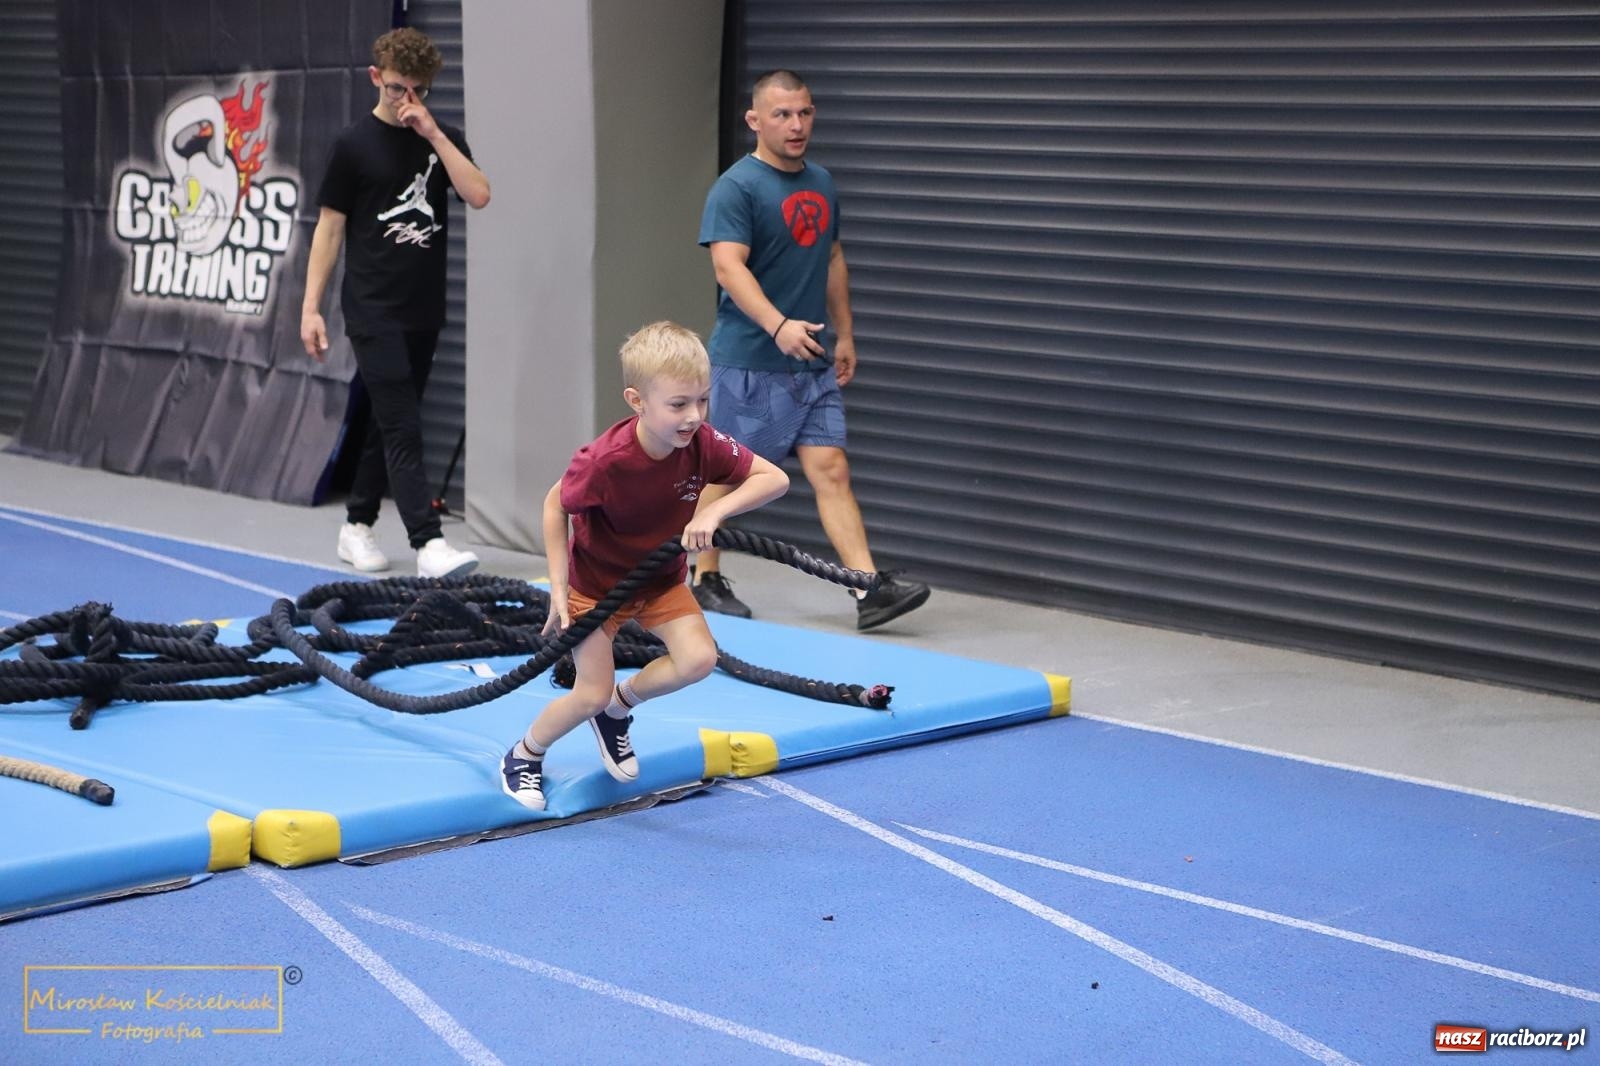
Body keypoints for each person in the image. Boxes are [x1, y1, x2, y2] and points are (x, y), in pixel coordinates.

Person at [500, 322, 789, 811]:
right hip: (596, 590)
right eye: (678, 404)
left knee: (699, 660)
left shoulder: (703, 442)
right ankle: (525, 754)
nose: (693, 416)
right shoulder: (604, 461)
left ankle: (620, 707)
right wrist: (558, 587)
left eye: (702, 400)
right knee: (588, 694)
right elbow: (555, 504)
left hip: (659, 582)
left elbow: (774, 478)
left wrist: (714, 511)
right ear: (637, 401)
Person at [692, 69, 930, 631]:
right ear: (755, 120)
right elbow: (728, 267)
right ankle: (703, 577)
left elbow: (832, 257)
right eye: (782, 114)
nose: (796, 125)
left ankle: (866, 590)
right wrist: (777, 325)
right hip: (750, 360)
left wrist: (844, 334)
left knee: (832, 469)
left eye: (804, 113)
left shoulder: (821, 182)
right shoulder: (736, 187)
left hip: (810, 362)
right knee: (727, 476)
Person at [300, 27, 490, 579]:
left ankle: (356, 525)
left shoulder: (440, 137)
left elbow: (478, 194)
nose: (406, 99)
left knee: (387, 421)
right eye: (396, 88)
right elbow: (329, 229)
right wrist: (311, 308)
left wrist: (433, 133)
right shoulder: (352, 146)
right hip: (371, 307)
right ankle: (428, 542)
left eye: (418, 90)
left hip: (423, 308)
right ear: (375, 77)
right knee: (404, 423)